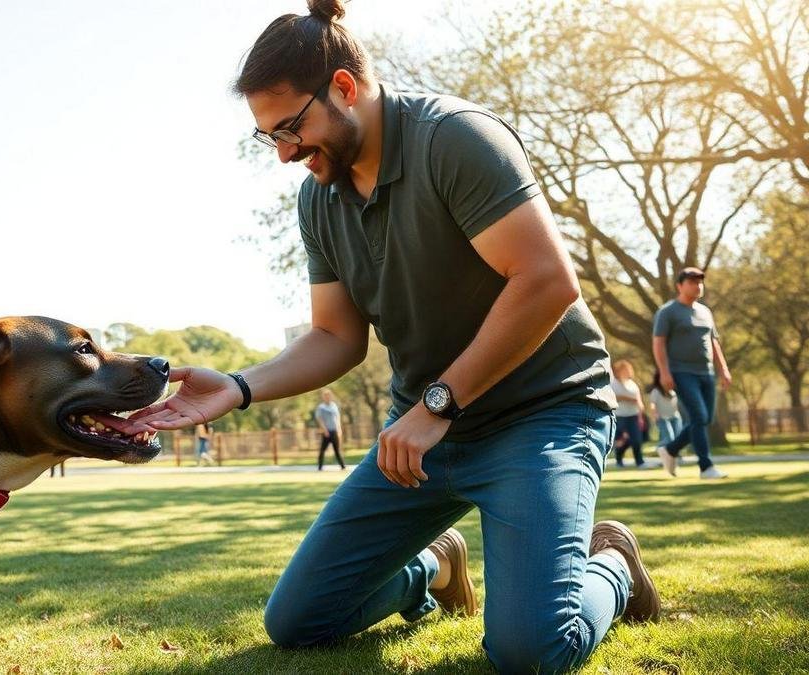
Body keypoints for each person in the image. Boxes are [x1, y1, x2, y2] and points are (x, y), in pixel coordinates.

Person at [124, 2, 659, 671]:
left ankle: (613, 567)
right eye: (269, 137)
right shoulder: (319, 197)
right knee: (298, 621)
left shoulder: (455, 139)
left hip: (540, 415)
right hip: (420, 436)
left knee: (529, 651)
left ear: (344, 87)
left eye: (291, 127)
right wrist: (237, 386)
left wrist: (438, 404)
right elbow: (335, 335)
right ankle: (436, 566)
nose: (284, 153)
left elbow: (547, 282)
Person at [652, 267, 732, 479]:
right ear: (679, 286)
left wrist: (723, 369)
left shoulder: (705, 312)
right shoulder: (667, 312)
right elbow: (658, 343)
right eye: (692, 282)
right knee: (699, 416)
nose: (698, 285)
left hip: (706, 372)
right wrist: (664, 372)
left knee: (704, 420)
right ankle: (706, 466)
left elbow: (713, 342)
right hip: (681, 371)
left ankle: (670, 449)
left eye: (700, 282)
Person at [610, 360, 647, 468]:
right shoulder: (613, 384)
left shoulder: (632, 384)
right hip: (619, 415)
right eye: (624, 370)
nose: (627, 372)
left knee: (636, 439)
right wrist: (628, 399)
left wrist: (641, 414)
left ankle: (639, 462)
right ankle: (619, 460)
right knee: (620, 440)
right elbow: (613, 398)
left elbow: (638, 400)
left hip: (633, 415)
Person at [648, 370, 683, 450]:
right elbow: (652, 404)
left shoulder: (673, 392)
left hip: (675, 417)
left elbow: (676, 404)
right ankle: (659, 448)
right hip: (662, 418)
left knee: (677, 438)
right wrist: (654, 413)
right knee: (669, 438)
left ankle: (673, 453)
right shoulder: (656, 391)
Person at [314, 389, 346, 470]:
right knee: (322, 450)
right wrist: (325, 430)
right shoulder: (321, 407)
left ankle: (343, 466)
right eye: (326, 396)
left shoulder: (334, 406)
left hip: (334, 431)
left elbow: (337, 418)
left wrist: (339, 429)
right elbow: (320, 419)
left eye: (329, 396)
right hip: (326, 432)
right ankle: (320, 467)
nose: (327, 397)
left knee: (337, 450)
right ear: (323, 397)